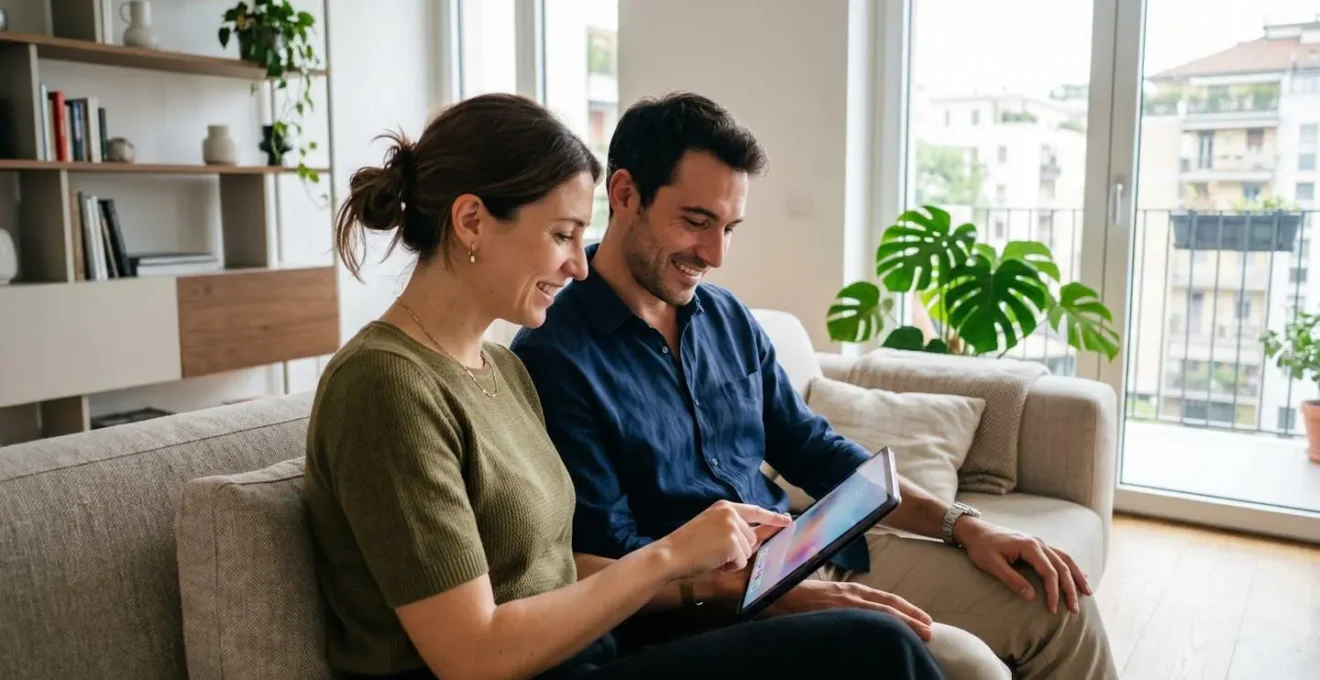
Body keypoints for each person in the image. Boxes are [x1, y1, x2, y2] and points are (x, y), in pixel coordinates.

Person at [302, 93, 945, 680]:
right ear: (471, 221)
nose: (578, 265)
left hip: (603, 653)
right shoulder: (385, 385)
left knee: (875, 644)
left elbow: (565, 566)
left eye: (581, 237)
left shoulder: (500, 373)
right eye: (561, 235)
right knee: (875, 649)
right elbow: (473, 655)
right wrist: (668, 558)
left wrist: (714, 582)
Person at [510, 92, 1121, 680]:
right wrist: (772, 598)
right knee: (969, 665)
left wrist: (964, 523)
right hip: (711, 613)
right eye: (697, 221)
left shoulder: (725, 317)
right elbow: (608, 561)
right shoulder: (556, 355)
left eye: (730, 227)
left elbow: (811, 447)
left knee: (1055, 598)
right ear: (624, 195)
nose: (716, 254)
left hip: (812, 554)